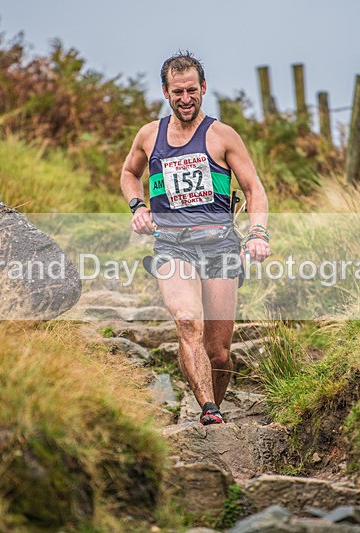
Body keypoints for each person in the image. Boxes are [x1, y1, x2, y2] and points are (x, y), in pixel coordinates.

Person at [120, 51, 270, 425]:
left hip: (220, 246)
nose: (185, 99)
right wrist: (138, 206)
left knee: (218, 352)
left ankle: (213, 404)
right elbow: (128, 172)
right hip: (172, 246)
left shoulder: (222, 136)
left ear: (203, 88)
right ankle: (208, 409)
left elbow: (254, 189)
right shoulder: (149, 135)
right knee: (187, 320)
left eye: (191, 90)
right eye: (177, 92)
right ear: (165, 93)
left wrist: (257, 233)